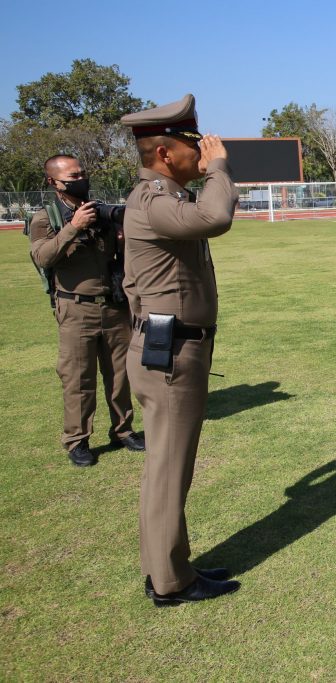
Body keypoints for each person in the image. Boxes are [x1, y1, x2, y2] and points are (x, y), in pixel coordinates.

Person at [120, 94, 240, 605]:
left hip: (168, 345)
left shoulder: (162, 198)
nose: (203, 152)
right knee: (169, 470)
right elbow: (217, 216)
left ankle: (168, 566)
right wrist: (220, 169)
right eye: (195, 145)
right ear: (166, 154)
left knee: (167, 468)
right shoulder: (153, 200)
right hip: (171, 351)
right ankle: (171, 581)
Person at [29, 155, 144, 467]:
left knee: (120, 374)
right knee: (78, 379)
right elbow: (42, 257)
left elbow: (120, 258)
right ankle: (77, 440)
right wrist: (73, 227)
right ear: (54, 183)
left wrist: (122, 238)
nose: (81, 180)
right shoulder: (45, 218)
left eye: (82, 174)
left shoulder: (100, 212)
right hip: (75, 308)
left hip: (113, 306)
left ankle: (123, 430)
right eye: (73, 177)